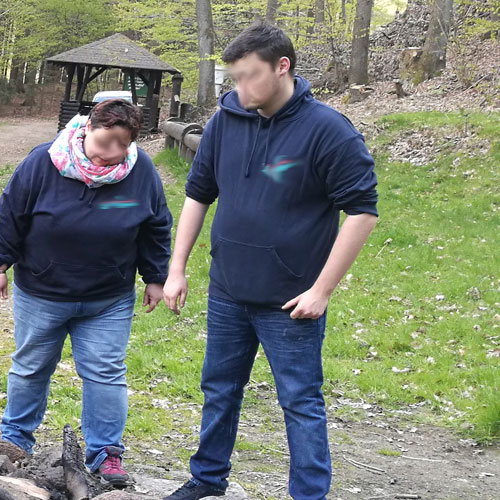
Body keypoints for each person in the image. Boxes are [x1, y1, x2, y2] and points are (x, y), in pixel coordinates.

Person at [161, 22, 379, 500]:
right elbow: (198, 195)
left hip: (292, 300)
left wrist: (322, 290)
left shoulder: (327, 130)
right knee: (218, 390)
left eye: (247, 77)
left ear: (282, 67)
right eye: (232, 79)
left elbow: (362, 211)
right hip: (227, 292)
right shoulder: (224, 121)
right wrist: (177, 269)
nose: (238, 89)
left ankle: (308, 493)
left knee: (300, 402)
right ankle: (207, 478)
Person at [0, 99, 172, 487]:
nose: (111, 154)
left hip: (108, 297)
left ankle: (106, 453)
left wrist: (156, 276)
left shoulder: (141, 172)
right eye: (104, 143)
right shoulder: (44, 162)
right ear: (87, 129)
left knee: (105, 373)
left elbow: (156, 225)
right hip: (42, 290)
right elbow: (11, 213)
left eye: (122, 145)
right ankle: (15, 441)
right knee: (31, 366)